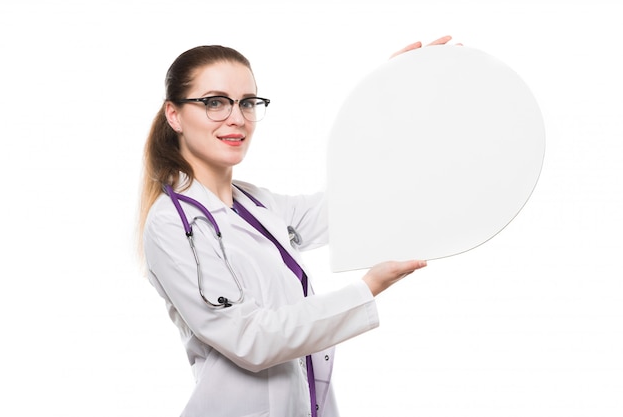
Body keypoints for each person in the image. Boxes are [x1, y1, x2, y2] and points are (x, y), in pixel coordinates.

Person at [139, 36, 453, 417]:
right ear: (174, 115)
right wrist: (369, 287)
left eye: (247, 103)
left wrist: (387, 100)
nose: (237, 118)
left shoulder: (256, 203)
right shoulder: (172, 224)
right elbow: (250, 338)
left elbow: (347, 205)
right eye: (215, 102)